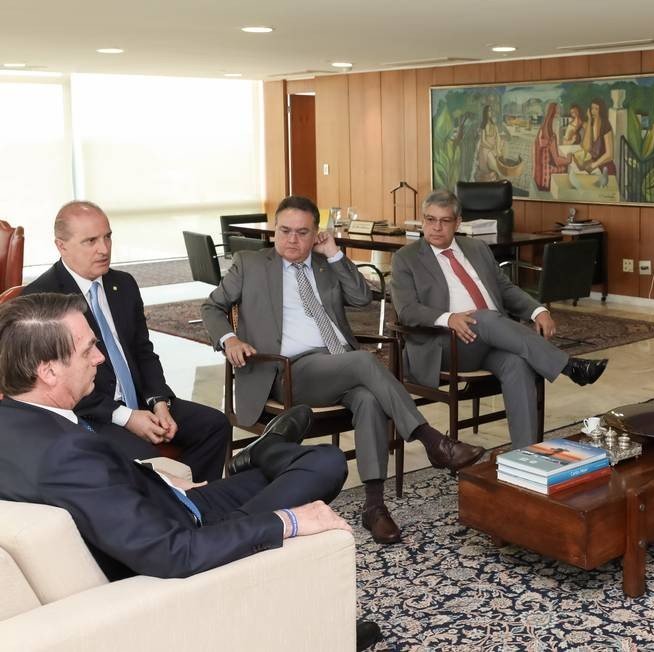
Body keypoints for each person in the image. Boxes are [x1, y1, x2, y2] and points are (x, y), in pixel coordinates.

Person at [0, 292, 382, 650]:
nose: (99, 357)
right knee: (325, 465)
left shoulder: (18, 422)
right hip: (193, 533)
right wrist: (289, 521)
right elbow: (175, 553)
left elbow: (98, 490)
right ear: (48, 371)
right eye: (88, 349)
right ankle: (263, 459)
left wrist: (159, 477)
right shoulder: (66, 454)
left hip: (169, 502)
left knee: (323, 460)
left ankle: (261, 455)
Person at [202, 195, 484, 545]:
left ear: (316, 234)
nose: (292, 240)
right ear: (274, 230)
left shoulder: (325, 264)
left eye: (302, 233)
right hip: (289, 371)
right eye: (285, 231)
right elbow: (212, 307)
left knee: (368, 399)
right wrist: (229, 339)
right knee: (364, 361)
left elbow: (362, 298)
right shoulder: (250, 264)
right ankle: (432, 440)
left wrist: (335, 254)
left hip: (338, 364)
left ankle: (374, 506)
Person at [24, 201, 230, 483]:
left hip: (141, 400)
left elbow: (143, 351)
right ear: (62, 246)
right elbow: (55, 384)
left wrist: (159, 402)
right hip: (92, 412)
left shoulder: (123, 284)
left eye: (107, 237)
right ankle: (171, 501)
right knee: (148, 461)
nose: (104, 249)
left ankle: (195, 500)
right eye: (91, 241)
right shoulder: (41, 298)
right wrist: (126, 417)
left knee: (215, 426)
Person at [390, 189, 608, 449]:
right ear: (422, 220)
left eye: (444, 221)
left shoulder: (477, 248)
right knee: (485, 319)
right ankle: (568, 365)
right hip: (446, 344)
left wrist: (538, 311)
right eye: (430, 219)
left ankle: (526, 454)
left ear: (458, 223)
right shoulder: (406, 258)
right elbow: (407, 310)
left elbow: (505, 289)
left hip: (491, 342)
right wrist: (448, 318)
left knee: (517, 364)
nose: (436, 227)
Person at [578, 97, 616, 188]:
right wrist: (589, 120)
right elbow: (586, 147)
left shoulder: (605, 125)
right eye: (592, 108)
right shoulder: (590, 124)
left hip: (605, 167)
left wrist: (594, 165)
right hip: (594, 166)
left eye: (596, 109)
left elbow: (610, 154)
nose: (593, 111)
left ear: (601, 111)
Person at [532, 102, 570, 192]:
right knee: (567, 168)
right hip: (545, 178)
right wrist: (569, 159)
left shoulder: (542, 130)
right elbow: (557, 161)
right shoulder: (551, 136)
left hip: (538, 177)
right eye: (557, 115)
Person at [474, 104, 503, 181]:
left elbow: (498, 137)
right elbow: (483, 141)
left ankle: (499, 175)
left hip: (492, 148)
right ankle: (499, 175)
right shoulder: (483, 125)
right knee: (490, 157)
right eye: (489, 111)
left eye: (491, 110)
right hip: (485, 149)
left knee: (502, 147)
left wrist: (497, 149)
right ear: (485, 113)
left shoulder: (494, 125)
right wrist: (491, 147)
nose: (491, 112)